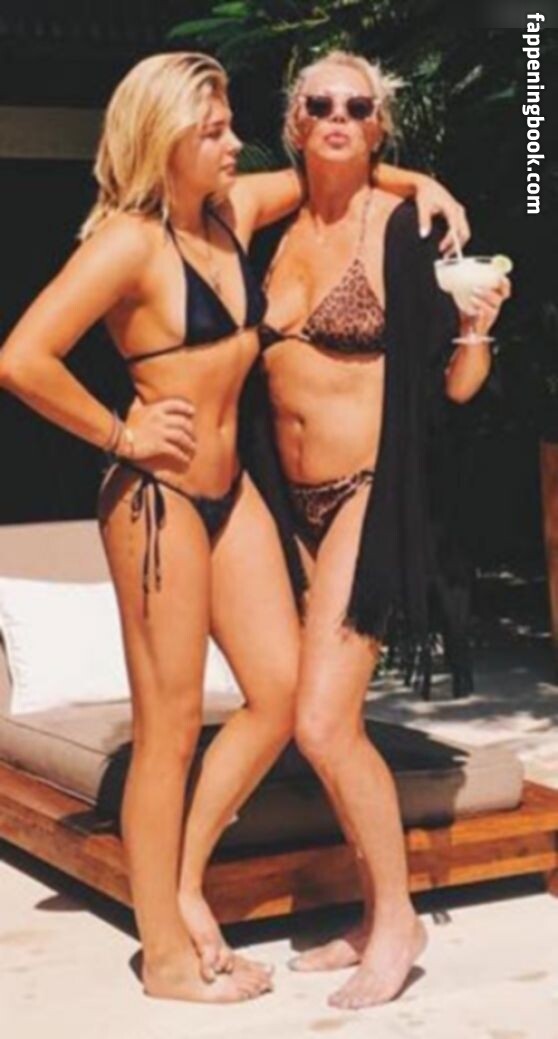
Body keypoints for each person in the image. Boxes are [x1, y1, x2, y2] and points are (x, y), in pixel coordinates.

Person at [0, 50, 470, 1005]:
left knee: (283, 695)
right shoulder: (128, 245)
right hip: (160, 499)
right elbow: (21, 357)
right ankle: (167, 956)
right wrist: (122, 432)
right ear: (165, 138)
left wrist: (422, 179)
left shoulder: (231, 210)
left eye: (229, 126)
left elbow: (333, 166)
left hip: (234, 496)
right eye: (213, 130)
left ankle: (183, 886)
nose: (232, 142)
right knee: (169, 729)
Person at [182, 50, 510, 1011]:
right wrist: (413, 170)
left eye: (358, 107)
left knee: (323, 720)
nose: (338, 116)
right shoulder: (263, 224)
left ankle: (397, 921)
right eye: (320, 103)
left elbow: (456, 390)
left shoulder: (406, 230)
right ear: (296, 121)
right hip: (287, 504)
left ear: (379, 124)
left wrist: (478, 327)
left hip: (372, 489)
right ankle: (372, 911)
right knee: (317, 714)